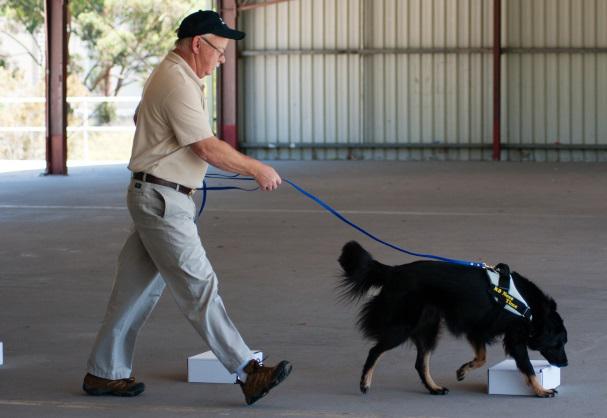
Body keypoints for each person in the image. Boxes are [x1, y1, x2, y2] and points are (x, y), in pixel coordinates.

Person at [82, 10, 291, 406]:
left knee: (133, 292)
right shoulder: (176, 79)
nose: (222, 59)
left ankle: (103, 373)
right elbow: (206, 147)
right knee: (200, 285)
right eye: (220, 50)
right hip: (163, 200)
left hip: (156, 194)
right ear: (199, 44)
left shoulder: (172, 75)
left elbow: (141, 118)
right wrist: (256, 168)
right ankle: (248, 371)